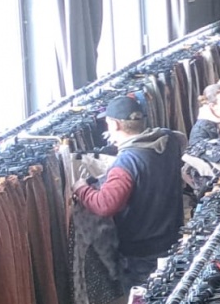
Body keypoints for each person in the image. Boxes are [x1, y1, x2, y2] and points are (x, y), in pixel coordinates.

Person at [73, 95, 190, 289]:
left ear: (114, 124)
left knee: (145, 302)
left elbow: (105, 204)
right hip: (173, 237)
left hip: (143, 252)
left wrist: (81, 189)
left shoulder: (126, 163)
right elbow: (180, 139)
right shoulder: (168, 140)